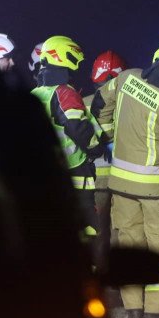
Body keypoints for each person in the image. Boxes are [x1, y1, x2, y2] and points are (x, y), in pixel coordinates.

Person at [91, 39, 159, 318]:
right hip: (156, 190)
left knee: (128, 245)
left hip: (121, 184)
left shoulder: (127, 78)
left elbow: (100, 104)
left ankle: (133, 309)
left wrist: (111, 135)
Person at [31, 36, 105, 244]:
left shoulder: (36, 92)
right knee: (86, 229)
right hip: (75, 172)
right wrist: (95, 148)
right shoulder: (64, 92)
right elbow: (76, 126)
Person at [83, 50, 128, 272]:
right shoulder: (130, 105)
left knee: (98, 232)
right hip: (124, 179)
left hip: (95, 180)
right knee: (121, 231)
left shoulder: (82, 103)